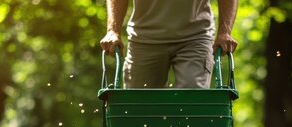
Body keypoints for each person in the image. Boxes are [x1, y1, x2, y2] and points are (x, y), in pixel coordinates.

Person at [100, 0, 238, 89]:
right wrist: (113, 30)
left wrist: (224, 32)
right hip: (144, 38)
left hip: (195, 36)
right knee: (139, 106)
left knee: (193, 97)